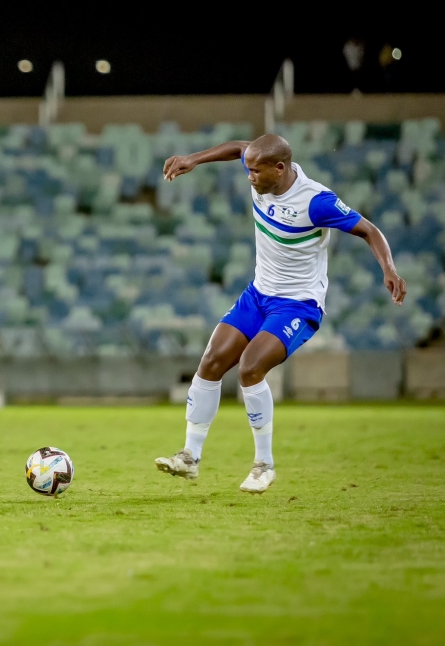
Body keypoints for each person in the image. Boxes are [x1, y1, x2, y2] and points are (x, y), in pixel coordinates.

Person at [155, 134, 406, 493]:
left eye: (256, 171)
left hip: (298, 304)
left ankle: (264, 465)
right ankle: (189, 457)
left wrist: (389, 269)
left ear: (280, 168)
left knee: (250, 367)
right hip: (258, 295)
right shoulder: (257, 164)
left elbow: (369, 230)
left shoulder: (316, 202)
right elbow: (238, 148)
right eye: (248, 169)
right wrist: (193, 159)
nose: (249, 176)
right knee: (210, 362)